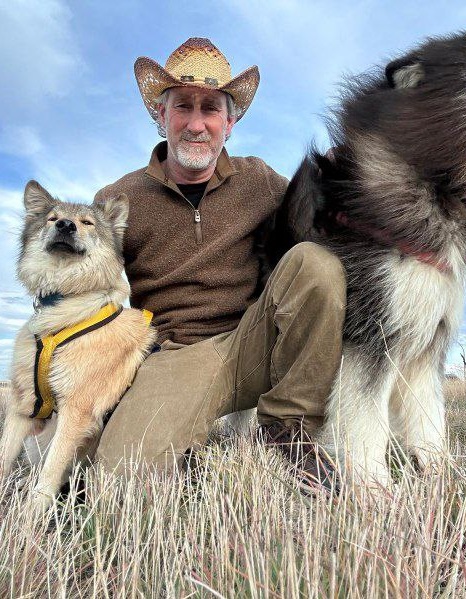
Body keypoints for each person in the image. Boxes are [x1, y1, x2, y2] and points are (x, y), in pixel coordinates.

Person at [93, 38, 346, 491]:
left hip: (257, 339)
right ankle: (186, 450)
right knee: (119, 482)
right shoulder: (117, 199)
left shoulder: (260, 179)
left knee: (316, 264)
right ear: (160, 115)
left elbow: (324, 221)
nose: (196, 124)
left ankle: (288, 427)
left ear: (229, 123)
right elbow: (89, 290)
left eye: (210, 109)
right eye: (182, 107)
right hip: (178, 354)